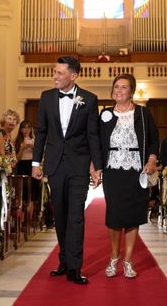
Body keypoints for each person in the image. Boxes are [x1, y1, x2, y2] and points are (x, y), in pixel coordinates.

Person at [31, 56, 102, 285]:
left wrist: (96, 166)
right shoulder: (46, 97)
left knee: (76, 216)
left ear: (73, 76)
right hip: (55, 164)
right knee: (60, 215)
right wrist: (35, 163)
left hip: (79, 165)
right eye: (55, 71)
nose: (55, 76)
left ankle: (74, 267)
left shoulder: (89, 100)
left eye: (60, 73)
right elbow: (41, 132)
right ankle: (63, 260)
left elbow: (93, 135)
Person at [99, 74, 158, 278]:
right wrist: (95, 167)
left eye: (123, 87)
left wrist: (151, 161)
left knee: (133, 216)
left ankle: (128, 261)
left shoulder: (143, 113)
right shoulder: (105, 114)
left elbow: (153, 141)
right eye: (116, 87)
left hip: (136, 170)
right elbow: (98, 144)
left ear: (131, 91)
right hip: (113, 170)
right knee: (114, 216)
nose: (118, 90)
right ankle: (113, 258)